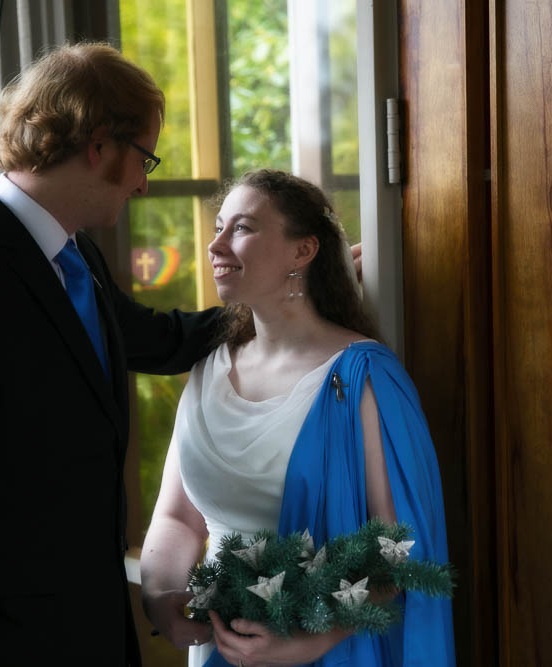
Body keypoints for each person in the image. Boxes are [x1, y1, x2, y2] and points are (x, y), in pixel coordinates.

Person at [0, 43, 220, 666]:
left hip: (87, 629)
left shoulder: (77, 258)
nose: (144, 181)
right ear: (98, 146)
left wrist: (279, 302)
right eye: (143, 156)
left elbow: (157, 338)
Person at [140, 169, 455, 667]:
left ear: (302, 252)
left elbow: (399, 549)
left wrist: (312, 639)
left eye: (241, 228)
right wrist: (161, 597)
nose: (215, 244)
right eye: (218, 226)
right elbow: (178, 517)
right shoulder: (207, 368)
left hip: (332, 651)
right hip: (219, 651)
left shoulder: (364, 377)